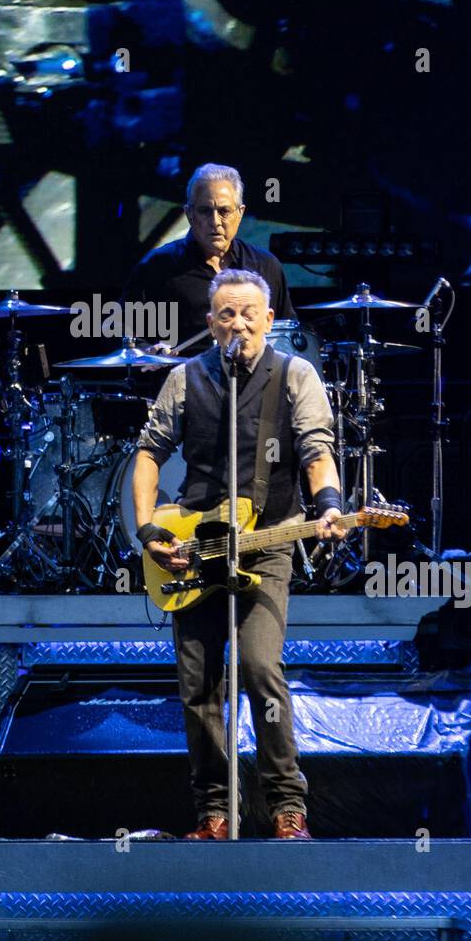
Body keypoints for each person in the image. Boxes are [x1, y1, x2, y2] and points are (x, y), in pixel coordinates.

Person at [131, 267, 345, 840]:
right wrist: (149, 529)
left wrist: (328, 504)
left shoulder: (295, 375)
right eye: (227, 314)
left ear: (269, 321)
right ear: (210, 322)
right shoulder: (185, 378)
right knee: (198, 684)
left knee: (258, 666)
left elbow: (316, 450)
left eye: (250, 314)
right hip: (195, 545)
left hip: (267, 541)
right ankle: (215, 812)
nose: (239, 324)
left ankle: (285, 806)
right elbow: (149, 453)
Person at [121, 163, 294, 353]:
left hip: (257, 381)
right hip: (186, 379)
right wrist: (149, 351)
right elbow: (126, 335)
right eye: (205, 211)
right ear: (189, 214)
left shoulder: (266, 266)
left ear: (240, 213)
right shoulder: (156, 267)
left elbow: (288, 335)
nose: (215, 222)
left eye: (224, 211)